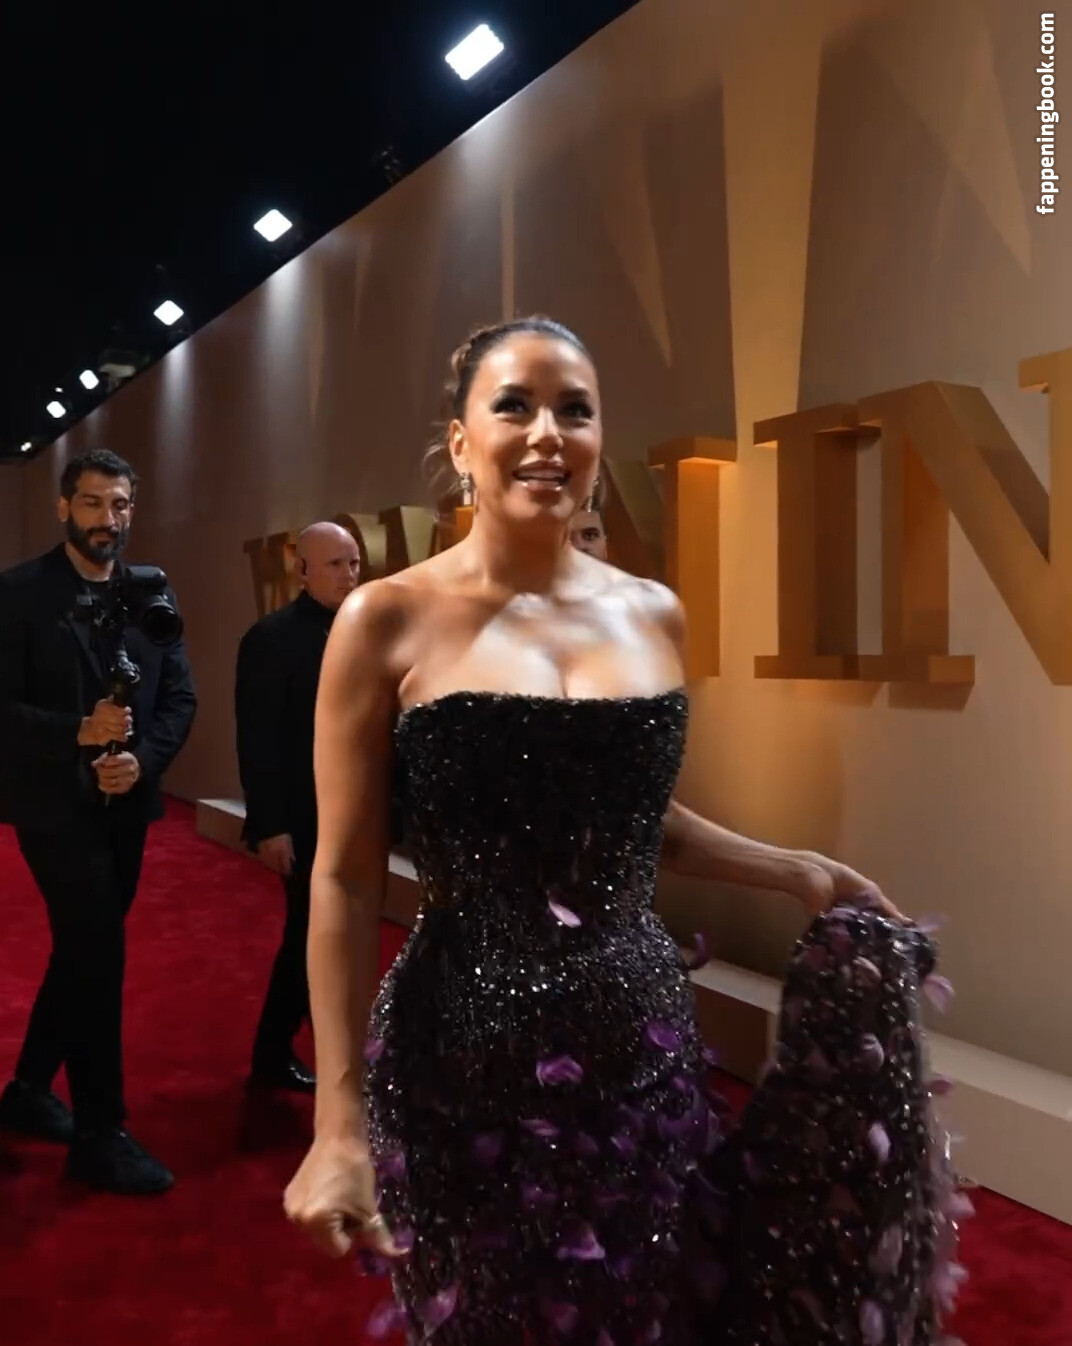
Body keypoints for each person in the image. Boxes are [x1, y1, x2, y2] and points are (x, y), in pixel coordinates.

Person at [283, 319, 965, 1342]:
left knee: (652, 1311)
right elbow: (341, 877)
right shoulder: (384, 618)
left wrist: (797, 869)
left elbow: (636, 823)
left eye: (576, 409)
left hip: (639, 1046)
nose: (547, 432)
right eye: (514, 405)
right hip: (461, 1060)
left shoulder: (653, 614)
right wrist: (336, 1123)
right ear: (462, 441)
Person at [0, 449, 196, 1195]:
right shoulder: (15, 594)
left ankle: (27, 1091)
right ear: (63, 507)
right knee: (99, 954)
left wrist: (141, 760)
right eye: (92, 503)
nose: (108, 519)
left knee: (83, 949)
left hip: (126, 802)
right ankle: (99, 1133)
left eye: (120, 504)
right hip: (51, 805)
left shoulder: (151, 594)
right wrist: (76, 731)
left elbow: (178, 698)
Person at [235, 521, 361, 1092]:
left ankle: (315, 1046)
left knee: (337, 936)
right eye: (335, 564)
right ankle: (276, 1050)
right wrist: (270, 825)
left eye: (353, 563)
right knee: (310, 935)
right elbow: (257, 739)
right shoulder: (271, 638)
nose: (349, 575)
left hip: (358, 813)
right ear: (301, 569)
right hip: (303, 817)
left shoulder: (365, 631)